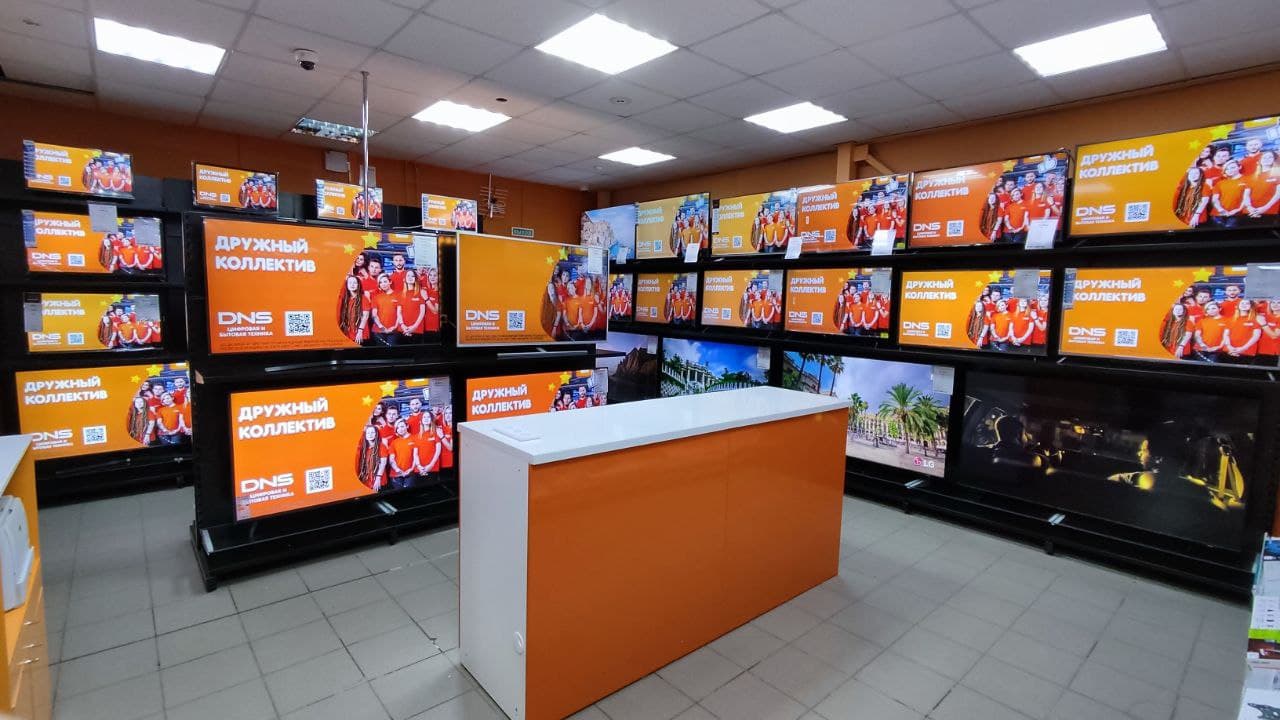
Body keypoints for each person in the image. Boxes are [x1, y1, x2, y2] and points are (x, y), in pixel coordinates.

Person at [1211, 159, 1249, 229]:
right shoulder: (1220, 183)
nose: (1230, 170)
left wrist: (1238, 209)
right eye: (1227, 169)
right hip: (1218, 214)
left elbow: (1246, 197)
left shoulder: (1247, 180)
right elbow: (1215, 199)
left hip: (1236, 213)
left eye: (1232, 167)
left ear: (1239, 167)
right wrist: (1220, 209)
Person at [1223, 298, 1262, 364]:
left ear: (1251, 306)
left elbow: (1256, 336)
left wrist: (1243, 348)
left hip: (1247, 352)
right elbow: (1226, 334)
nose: (1244, 305)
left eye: (1247, 303)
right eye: (1242, 303)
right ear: (1238, 306)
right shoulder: (1231, 319)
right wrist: (1229, 347)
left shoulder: (1256, 319)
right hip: (1229, 350)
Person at [368, 274, 400, 346]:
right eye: (381, 282)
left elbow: (400, 313)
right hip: (378, 331)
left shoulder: (398, 295)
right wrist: (381, 327)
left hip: (394, 330)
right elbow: (374, 315)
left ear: (390, 282)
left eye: (385, 281)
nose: (383, 284)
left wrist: (395, 326)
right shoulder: (376, 297)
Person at [386, 419, 418, 490]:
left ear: (407, 426)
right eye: (398, 428)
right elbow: (391, 459)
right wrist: (397, 469)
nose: (400, 429)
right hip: (396, 474)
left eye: (402, 426)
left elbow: (416, 456)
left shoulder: (415, 439)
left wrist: (411, 469)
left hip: (410, 472)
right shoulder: (394, 442)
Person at [338, 275, 369, 344]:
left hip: (359, 333)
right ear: (347, 285)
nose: (352, 285)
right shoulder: (346, 299)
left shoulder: (363, 298)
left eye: (355, 283)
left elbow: (365, 316)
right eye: (350, 283)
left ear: (358, 285)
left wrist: (360, 331)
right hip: (348, 333)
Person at [399, 269, 428, 342]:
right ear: (404, 279)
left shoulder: (421, 292)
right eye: (408, 276)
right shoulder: (400, 294)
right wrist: (402, 325)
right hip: (403, 329)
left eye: (412, 276)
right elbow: (399, 312)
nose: (410, 278)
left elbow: (422, 312)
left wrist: (414, 326)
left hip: (417, 329)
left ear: (415, 279)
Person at [356, 425, 387, 491]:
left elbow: (383, 464)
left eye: (372, 432)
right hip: (366, 480)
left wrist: (378, 478)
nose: (370, 435)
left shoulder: (381, 446)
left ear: (376, 434)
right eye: (368, 433)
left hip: (377, 479)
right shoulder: (364, 448)